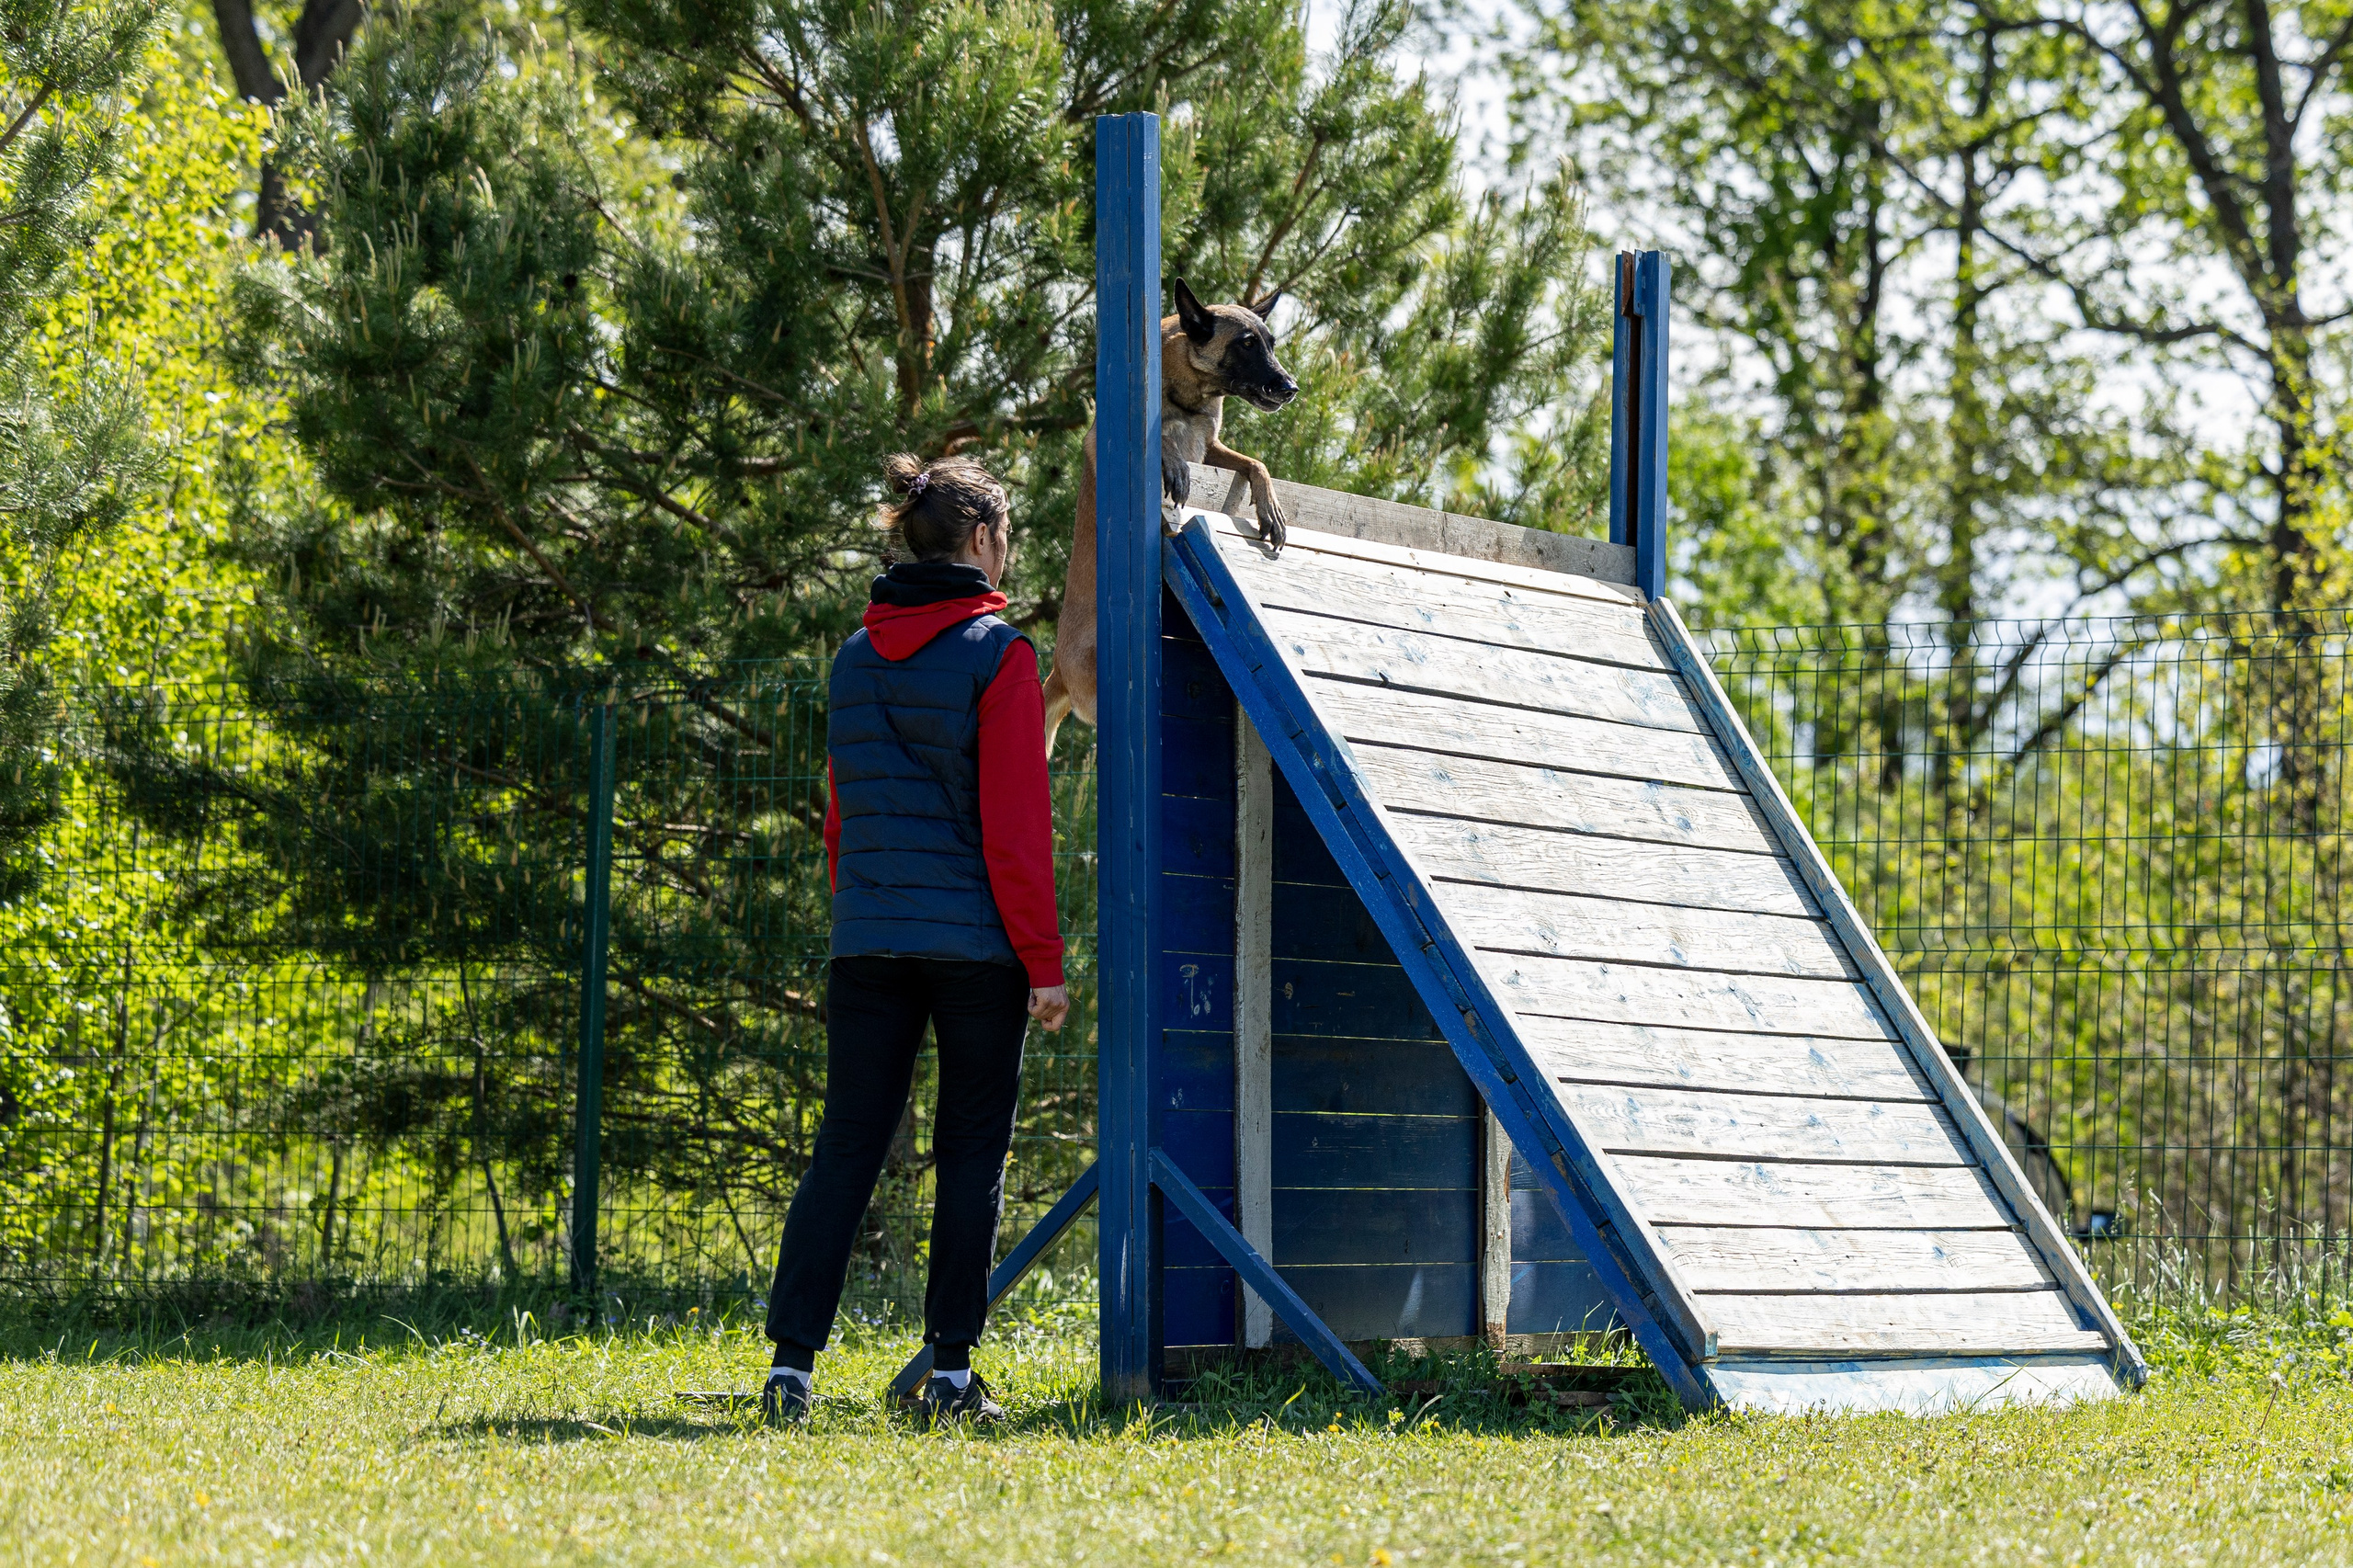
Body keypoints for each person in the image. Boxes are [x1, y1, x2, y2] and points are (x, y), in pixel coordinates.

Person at [762, 452, 1071, 1427]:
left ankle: (790, 1369)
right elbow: (1017, 829)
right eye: (1006, 531)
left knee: (844, 1146)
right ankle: (947, 1373)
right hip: (975, 948)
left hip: (867, 939)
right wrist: (1045, 963)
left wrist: (858, 911)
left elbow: (840, 819)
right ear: (981, 539)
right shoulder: (998, 655)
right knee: (970, 1150)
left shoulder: (853, 657)